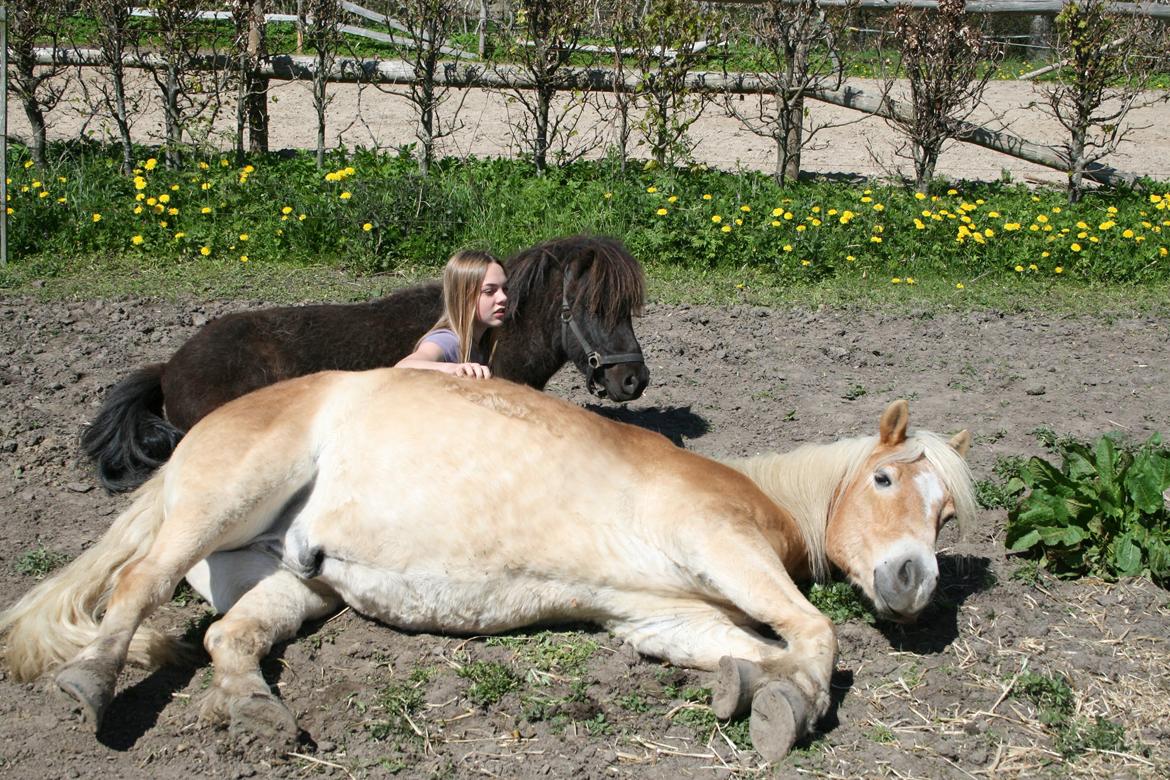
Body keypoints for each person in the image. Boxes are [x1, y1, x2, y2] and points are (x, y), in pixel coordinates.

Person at [395, 249, 508, 378]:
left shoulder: (484, 342)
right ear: (462, 297)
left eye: (505, 289)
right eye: (489, 291)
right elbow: (402, 367)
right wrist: (452, 368)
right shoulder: (448, 341)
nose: (503, 297)